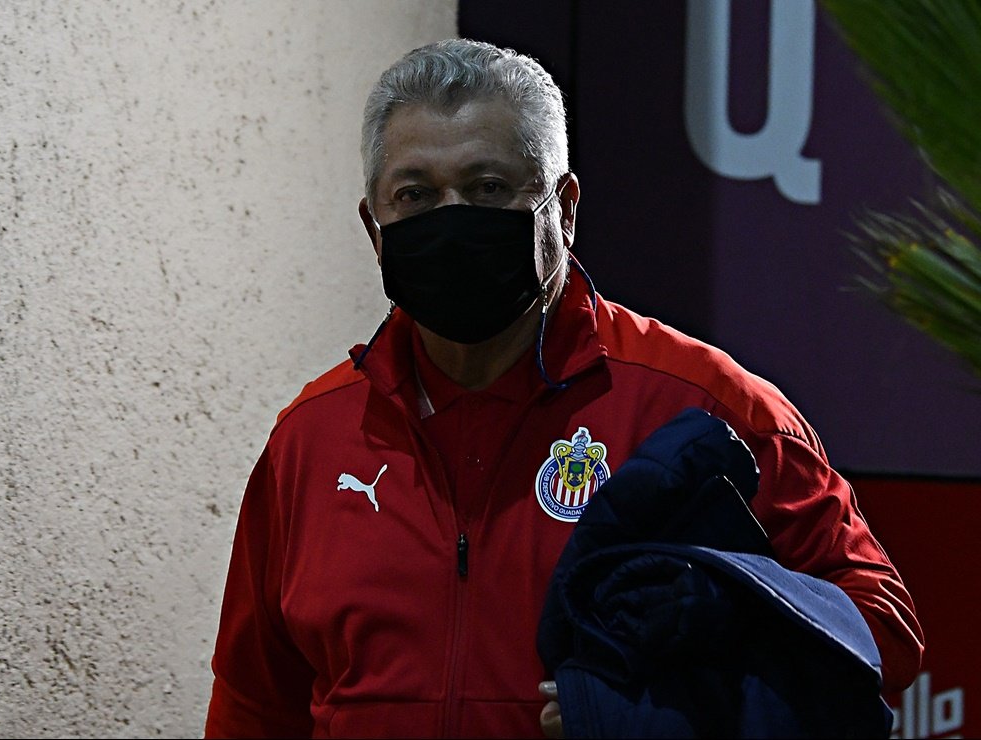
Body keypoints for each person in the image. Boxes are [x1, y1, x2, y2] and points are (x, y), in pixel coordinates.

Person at [204, 38, 923, 739]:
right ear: (375, 227)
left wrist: (701, 673)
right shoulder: (312, 439)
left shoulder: (707, 407)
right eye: (415, 195)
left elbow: (879, 630)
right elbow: (254, 706)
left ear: (565, 208)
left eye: (488, 188)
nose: (451, 219)